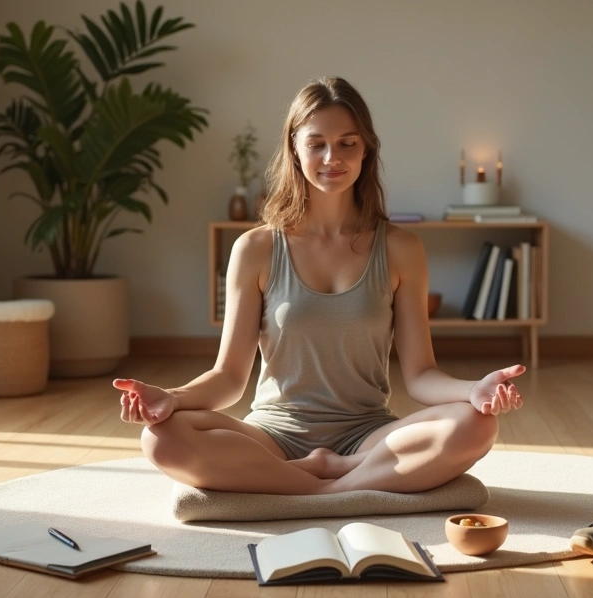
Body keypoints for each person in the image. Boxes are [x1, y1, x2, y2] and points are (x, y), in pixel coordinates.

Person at [113, 76, 524, 495]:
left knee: (476, 423)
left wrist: (474, 390)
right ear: (294, 146)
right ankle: (343, 489)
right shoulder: (255, 248)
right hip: (273, 437)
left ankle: (318, 483)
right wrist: (173, 397)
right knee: (160, 438)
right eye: (317, 143)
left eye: (348, 143)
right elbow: (229, 377)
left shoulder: (402, 249)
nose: (333, 157)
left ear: (366, 149)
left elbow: (420, 375)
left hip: (367, 436)